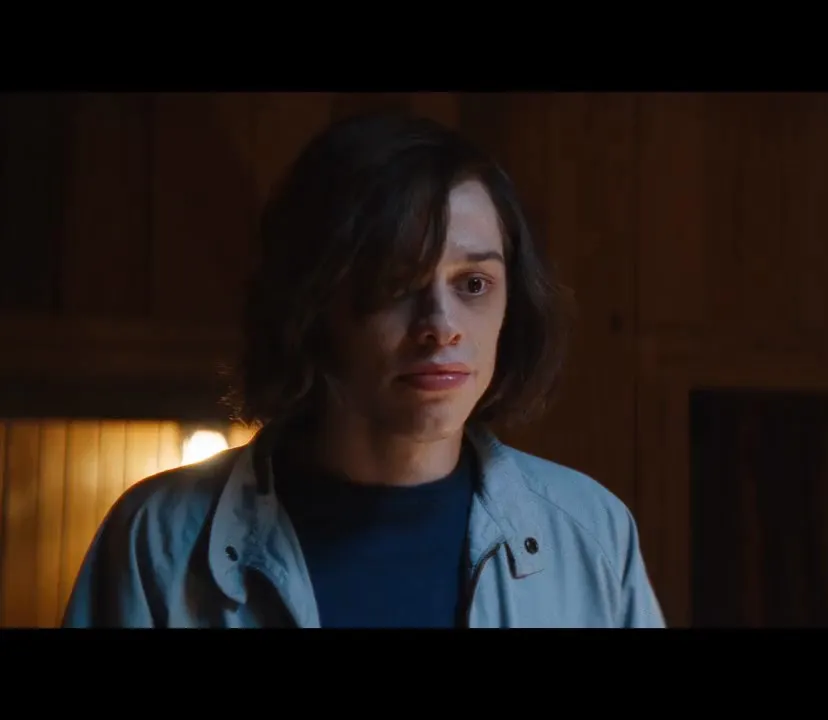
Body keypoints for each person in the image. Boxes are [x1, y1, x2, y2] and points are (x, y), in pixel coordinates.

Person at [62, 112, 665, 628]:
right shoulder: (160, 539)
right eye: (396, 283)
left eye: (474, 284)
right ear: (313, 302)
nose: (441, 326)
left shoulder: (589, 533)